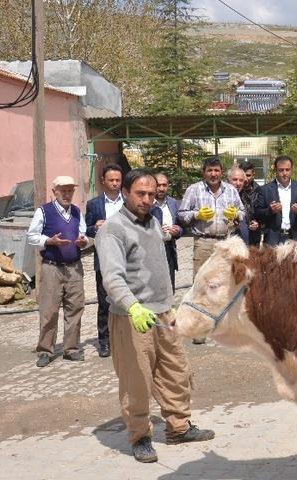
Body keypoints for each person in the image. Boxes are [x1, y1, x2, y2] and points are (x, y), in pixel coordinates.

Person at [97, 169, 215, 464]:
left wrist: (169, 303)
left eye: (151, 194)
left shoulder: (153, 221)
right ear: (125, 192)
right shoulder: (112, 229)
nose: (147, 199)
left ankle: (178, 427)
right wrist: (133, 307)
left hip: (164, 313)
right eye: (140, 193)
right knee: (137, 380)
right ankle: (140, 437)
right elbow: (111, 278)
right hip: (131, 317)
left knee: (176, 371)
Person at [178, 156, 244, 344]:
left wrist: (236, 215)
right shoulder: (194, 190)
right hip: (204, 242)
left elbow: (243, 212)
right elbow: (181, 215)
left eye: (216, 170)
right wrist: (196, 214)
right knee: (201, 287)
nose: (213, 174)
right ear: (204, 172)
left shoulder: (230, 190)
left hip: (225, 243)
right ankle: (199, 331)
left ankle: (226, 328)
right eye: (210, 170)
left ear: (221, 172)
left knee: (228, 286)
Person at [27, 176, 92, 367]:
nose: (67, 194)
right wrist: (49, 241)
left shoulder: (76, 212)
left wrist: (84, 242)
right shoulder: (44, 211)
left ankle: (71, 349)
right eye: (63, 190)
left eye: (70, 190)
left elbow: (84, 235)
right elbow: (31, 236)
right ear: (54, 192)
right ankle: (45, 350)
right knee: (49, 310)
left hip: (74, 267)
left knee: (75, 309)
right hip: (51, 267)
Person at [85, 163, 124, 358]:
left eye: (118, 180)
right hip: (105, 259)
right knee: (105, 302)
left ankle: (124, 339)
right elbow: (86, 228)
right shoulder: (94, 204)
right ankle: (104, 341)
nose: (115, 183)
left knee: (127, 299)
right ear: (103, 181)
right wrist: (95, 227)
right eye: (111, 180)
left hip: (127, 259)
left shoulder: (128, 201)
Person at [254, 155, 297, 245]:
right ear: (275, 171)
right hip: (273, 239)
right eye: (281, 170)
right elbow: (258, 214)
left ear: (292, 170)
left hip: (296, 238)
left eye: (287, 170)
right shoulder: (265, 190)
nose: (284, 173)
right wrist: (270, 210)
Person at [152, 172, 183, 293]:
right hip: (152, 250)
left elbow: (181, 226)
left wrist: (177, 231)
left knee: (169, 287)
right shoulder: (147, 202)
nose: (161, 188)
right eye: (158, 185)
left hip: (169, 248)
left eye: (164, 185)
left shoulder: (172, 202)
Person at [226, 166, 258, 246]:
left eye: (241, 180)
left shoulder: (248, 198)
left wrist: (254, 223)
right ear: (228, 180)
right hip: (226, 241)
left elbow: (252, 217)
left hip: (244, 242)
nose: (238, 183)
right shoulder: (222, 196)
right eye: (235, 179)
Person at [239, 161, 262, 246]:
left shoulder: (260, 191)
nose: (245, 179)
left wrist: (258, 223)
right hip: (238, 235)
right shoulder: (234, 190)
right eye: (243, 175)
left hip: (254, 236)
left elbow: (263, 212)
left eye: (248, 175)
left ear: (253, 174)